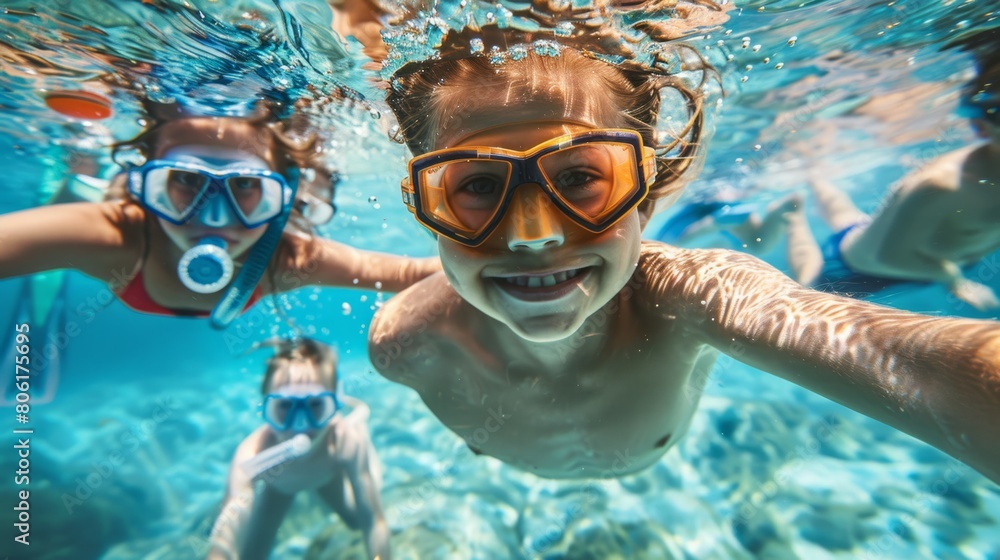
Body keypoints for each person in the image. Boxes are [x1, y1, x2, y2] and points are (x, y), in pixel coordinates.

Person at [369, 30, 1000, 484]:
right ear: (428, 211)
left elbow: (924, 369)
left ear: (643, 197)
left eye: (583, 178)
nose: (534, 236)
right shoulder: (403, 342)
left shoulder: (691, 297)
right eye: (477, 186)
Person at [0, 101, 440, 328]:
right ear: (148, 182)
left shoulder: (285, 256)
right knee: (84, 192)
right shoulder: (118, 234)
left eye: (245, 184)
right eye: (186, 179)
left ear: (284, 195)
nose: (211, 217)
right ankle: (82, 173)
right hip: (112, 207)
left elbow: (414, 275)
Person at [785, 62, 1000, 306]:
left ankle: (815, 176)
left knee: (847, 219)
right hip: (859, 268)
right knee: (808, 296)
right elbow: (889, 256)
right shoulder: (942, 184)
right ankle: (792, 218)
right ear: (981, 126)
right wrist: (953, 279)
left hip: (904, 252)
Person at [207, 338, 390, 560]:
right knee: (252, 556)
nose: (301, 425)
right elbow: (224, 539)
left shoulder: (344, 441)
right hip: (278, 489)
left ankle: (364, 435)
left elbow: (374, 521)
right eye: (284, 406)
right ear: (267, 408)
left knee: (354, 520)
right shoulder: (252, 455)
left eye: (315, 406)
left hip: (327, 479)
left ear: (333, 407)